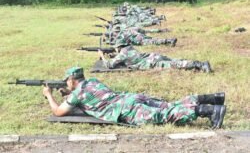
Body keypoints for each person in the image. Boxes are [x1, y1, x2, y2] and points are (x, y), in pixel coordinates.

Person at [43, 67, 226, 128]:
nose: (66, 83)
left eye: (67, 81)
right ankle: (211, 97)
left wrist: (49, 96)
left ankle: (209, 110)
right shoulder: (92, 81)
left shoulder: (78, 94)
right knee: (168, 105)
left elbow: (58, 112)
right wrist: (70, 93)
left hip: (128, 109)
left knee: (165, 115)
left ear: (72, 80)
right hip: (132, 98)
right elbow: (89, 94)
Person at [98, 42, 212, 73]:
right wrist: (114, 55)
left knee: (176, 65)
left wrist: (102, 56)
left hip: (150, 63)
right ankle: (198, 64)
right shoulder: (129, 48)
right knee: (175, 60)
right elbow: (127, 57)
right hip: (154, 56)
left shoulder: (123, 53)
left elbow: (109, 65)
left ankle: (201, 65)